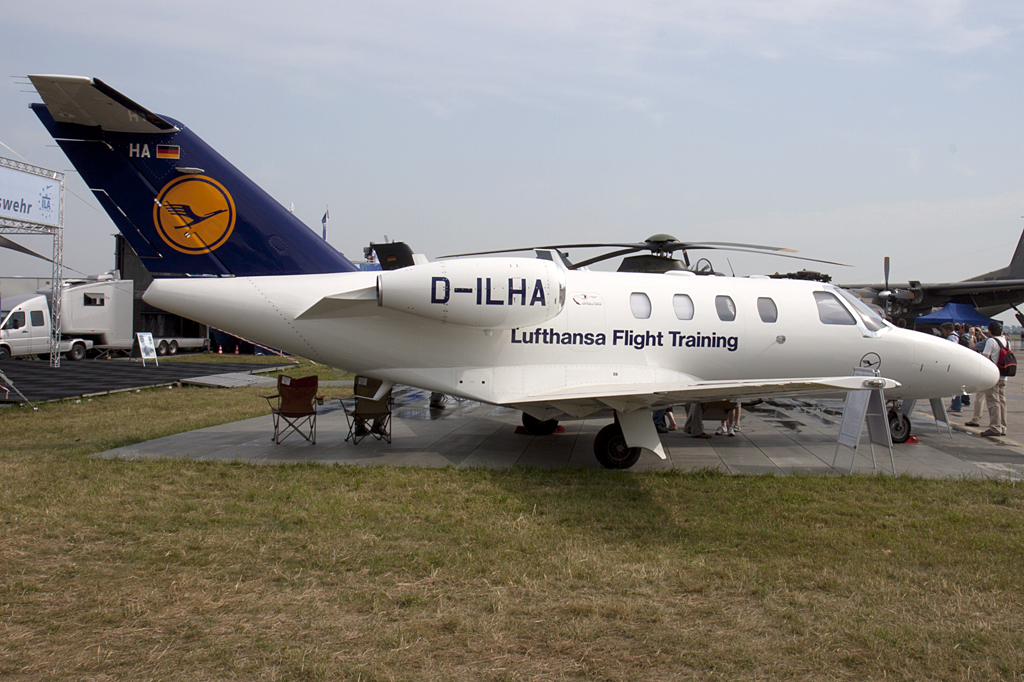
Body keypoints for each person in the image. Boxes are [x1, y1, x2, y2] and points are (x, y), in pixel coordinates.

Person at [980, 321, 1009, 437]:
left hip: (993, 376)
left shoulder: (991, 341)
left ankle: (995, 426)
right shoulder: (1006, 341)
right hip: (1003, 376)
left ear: (990, 331)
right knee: (1002, 401)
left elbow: (985, 357)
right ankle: (1003, 426)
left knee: (993, 401)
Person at [941, 323, 962, 412]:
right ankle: (955, 405)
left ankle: (956, 406)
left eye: (944, 330)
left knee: (955, 385)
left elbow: (952, 350)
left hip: (955, 364)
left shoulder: (952, 337)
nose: (943, 332)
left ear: (948, 330)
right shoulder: (955, 336)